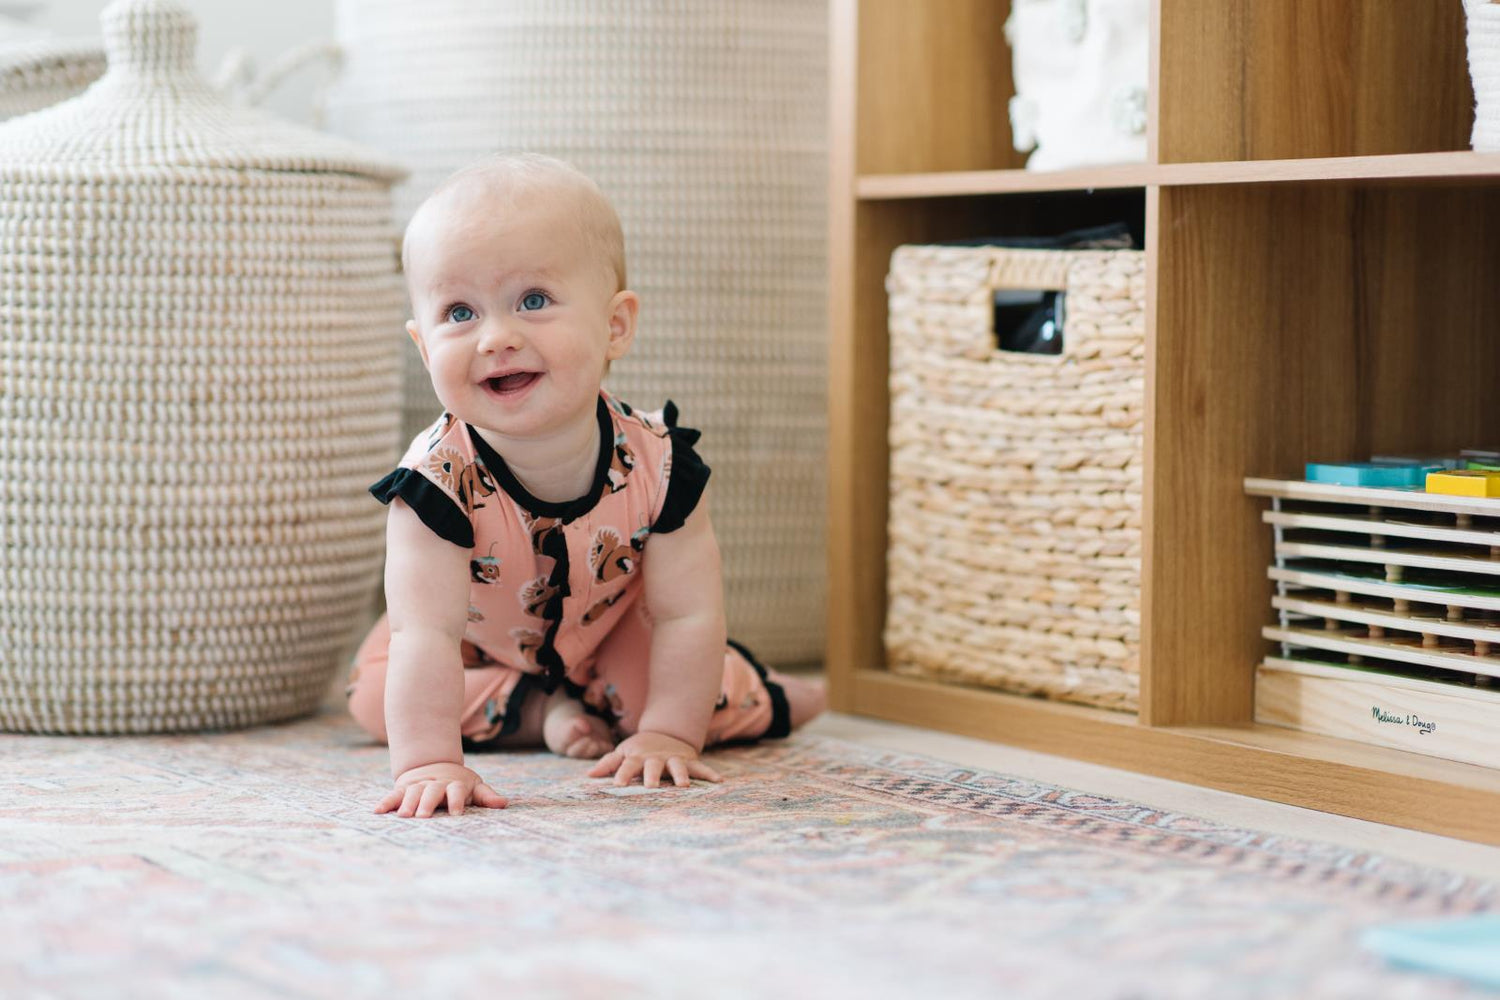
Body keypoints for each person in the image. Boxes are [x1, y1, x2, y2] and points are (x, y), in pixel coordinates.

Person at [345, 153, 826, 819]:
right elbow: (425, 633)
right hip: (475, 636)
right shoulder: (432, 487)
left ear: (615, 326)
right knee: (377, 696)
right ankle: (537, 707)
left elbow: (688, 612)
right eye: (459, 312)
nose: (496, 338)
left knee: (672, 697)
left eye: (533, 301)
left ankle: (766, 693)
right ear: (425, 348)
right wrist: (430, 761)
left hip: (614, 623)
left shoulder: (660, 464)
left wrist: (669, 732)